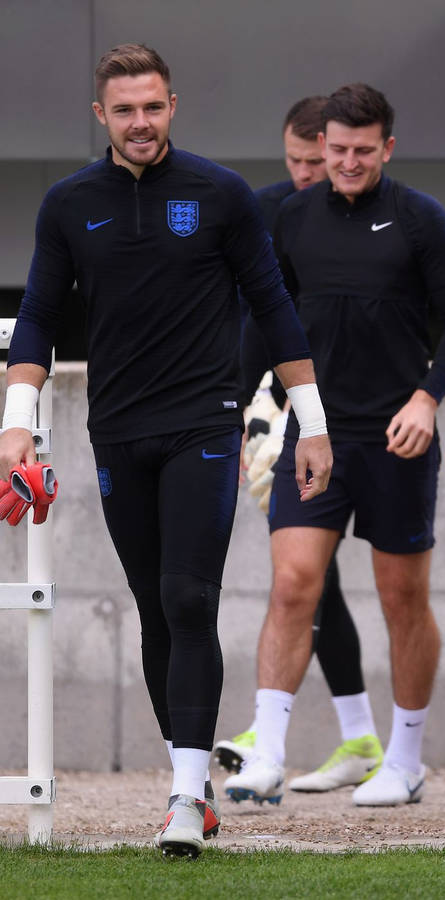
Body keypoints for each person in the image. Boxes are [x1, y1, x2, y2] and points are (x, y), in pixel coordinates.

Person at [0, 44, 332, 859]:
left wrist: (313, 421)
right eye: (124, 110)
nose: (140, 123)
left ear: (172, 106)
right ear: (101, 116)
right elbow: (39, 316)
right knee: (155, 609)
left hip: (204, 424)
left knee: (189, 598)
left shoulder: (218, 194)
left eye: (152, 107)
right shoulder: (69, 203)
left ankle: (184, 795)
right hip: (116, 429)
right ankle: (193, 780)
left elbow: (274, 305)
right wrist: (15, 420)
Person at [223, 83, 445, 807]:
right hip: (314, 433)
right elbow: (262, 320)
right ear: (320, 147)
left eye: (364, 151)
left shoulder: (423, 220)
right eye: (337, 150)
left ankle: (406, 759)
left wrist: (430, 399)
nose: (349, 162)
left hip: (398, 436)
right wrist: (239, 412)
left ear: (387, 148)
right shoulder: (291, 217)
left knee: (402, 598)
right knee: (294, 582)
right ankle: (266, 750)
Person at [214, 97, 384, 793]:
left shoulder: (372, 215)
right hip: (273, 412)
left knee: (313, 582)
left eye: (324, 159)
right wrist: (247, 411)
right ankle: (347, 735)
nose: (315, 172)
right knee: (307, 581)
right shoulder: (267, 212)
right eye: (299, 161)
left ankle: (337, 737)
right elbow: (246, 317)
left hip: (353, 416)